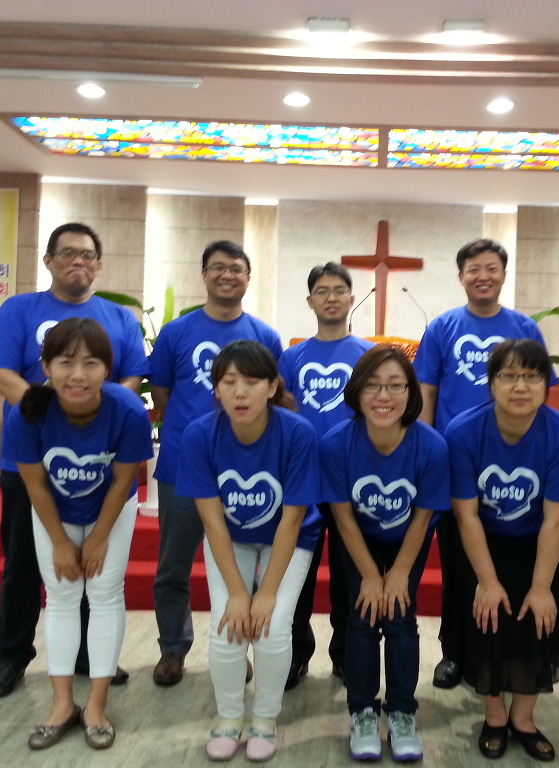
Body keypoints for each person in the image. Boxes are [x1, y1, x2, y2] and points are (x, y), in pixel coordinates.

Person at [0, 222, 148, 698]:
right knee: (22, 564)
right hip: (32, 459)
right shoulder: (19, 309)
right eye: (68, 253)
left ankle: (87, 657)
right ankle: (12, 656)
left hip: (98, 463)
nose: (79, 261)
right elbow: (3, 374)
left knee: (93, 566)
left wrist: (94, 413)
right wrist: (51, 413)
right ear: (49, 261)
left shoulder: (120, 319)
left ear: (99, 265)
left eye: (88, 254)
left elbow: (129, 383)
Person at [414, 238, 557, 690]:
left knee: (509, 565)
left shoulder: (524, 327)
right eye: (473, 269)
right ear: (461, 277)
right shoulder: (442, 327)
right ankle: (454, 653)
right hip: (456, 460)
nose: (483, 276)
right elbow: (427, 391)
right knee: (458, 564)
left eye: (491, 268)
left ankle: (507, 653)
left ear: (503, 275)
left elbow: (542, 388)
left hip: (515, 458)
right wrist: (425, 450)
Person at [7, 318, 153, 751]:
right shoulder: (28, 412)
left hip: (111, 507)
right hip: (55, 508)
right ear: (46, 367)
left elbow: (124, 480)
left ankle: (96, 706)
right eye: (65, 362)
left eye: (91, 363)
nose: (78, 374)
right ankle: (61, 705)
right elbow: (35, 485)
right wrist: (59, 542)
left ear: (107, 369)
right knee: (62, 595)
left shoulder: (127, 410)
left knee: (105, 593)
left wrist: (99, 537)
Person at [175, 340, 322, 762]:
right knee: (228, 626)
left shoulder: (298, 433)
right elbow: (213, 521)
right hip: (231, 540)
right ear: (216, 389)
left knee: (272, 626)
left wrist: (267, 592)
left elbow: (292, 519)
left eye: (252, 381)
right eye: (229, 381)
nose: (240, 392)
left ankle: (265, 720)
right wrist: (239, 593)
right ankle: (228, 717)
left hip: (288, 540)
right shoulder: (200, 434)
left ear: (273, 387)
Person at [149, 240, 282, 687]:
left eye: (237, 268)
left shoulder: (265, 336)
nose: (228, 275)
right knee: (174, 565)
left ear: (248, 277)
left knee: (242, 568)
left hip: (247, 471)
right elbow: (162, 394)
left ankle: (236, 650)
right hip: (184, 466)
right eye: (218, 267)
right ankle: (173, 648)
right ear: (204, 274)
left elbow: (273, 399)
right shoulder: (176, 332)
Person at [446, 339, 559, 762]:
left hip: (538, 544)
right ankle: (494, 717)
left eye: (532, 376)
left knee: (537, 626)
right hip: (481, 543)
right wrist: (487, 582)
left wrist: (541, 588)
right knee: (486, 624)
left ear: (546, 384)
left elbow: (555, 521)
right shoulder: (463, 432)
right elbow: (467, 516)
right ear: (491, 384)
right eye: (508, 376)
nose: (520, 386)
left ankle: (523, 719)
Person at [320, 345, 449, 762]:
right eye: (373, 385)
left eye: (395, 386)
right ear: (356, 391)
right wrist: (371, 576)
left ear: (411, 393)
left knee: (399, 612)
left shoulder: (431, 446)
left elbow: (423, 517)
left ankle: (401, 712)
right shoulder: (336, 444)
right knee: (362, 613)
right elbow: (343, 518)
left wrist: (398, 574)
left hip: (408, 536)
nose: (383, 396)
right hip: (359, 536)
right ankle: (362, 711)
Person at [278, 262, 374, 690]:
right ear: (310, 301)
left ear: (351, 299)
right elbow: (281, 415)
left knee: (349, 574)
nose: (331, 297)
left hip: (352, 478)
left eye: (339, 290)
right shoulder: (292, 357)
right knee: (297, 573)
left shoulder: (368, 355)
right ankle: (296, 655)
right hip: (302, 478)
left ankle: (347, 655)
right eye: (322, 290)